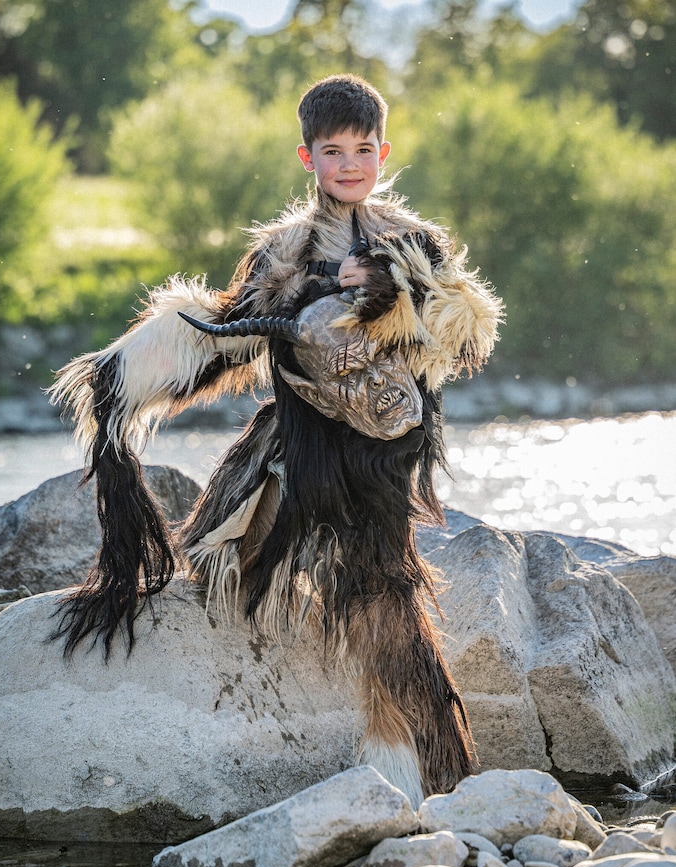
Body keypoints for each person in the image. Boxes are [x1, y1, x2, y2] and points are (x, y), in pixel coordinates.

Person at [50, 74, 503, 806]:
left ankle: (404, 761)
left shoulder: (414, 242)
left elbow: (466, 331)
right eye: (334, 151)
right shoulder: (282, 252)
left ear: (384, 152)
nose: (350, 164)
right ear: (307, 157)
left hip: (381, 454)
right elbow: (228, 333)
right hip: (304, 443)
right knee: (226, 557)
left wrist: (386, 288)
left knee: (380, 591)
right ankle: (397, 762)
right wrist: (124, 372)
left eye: (363, 149)